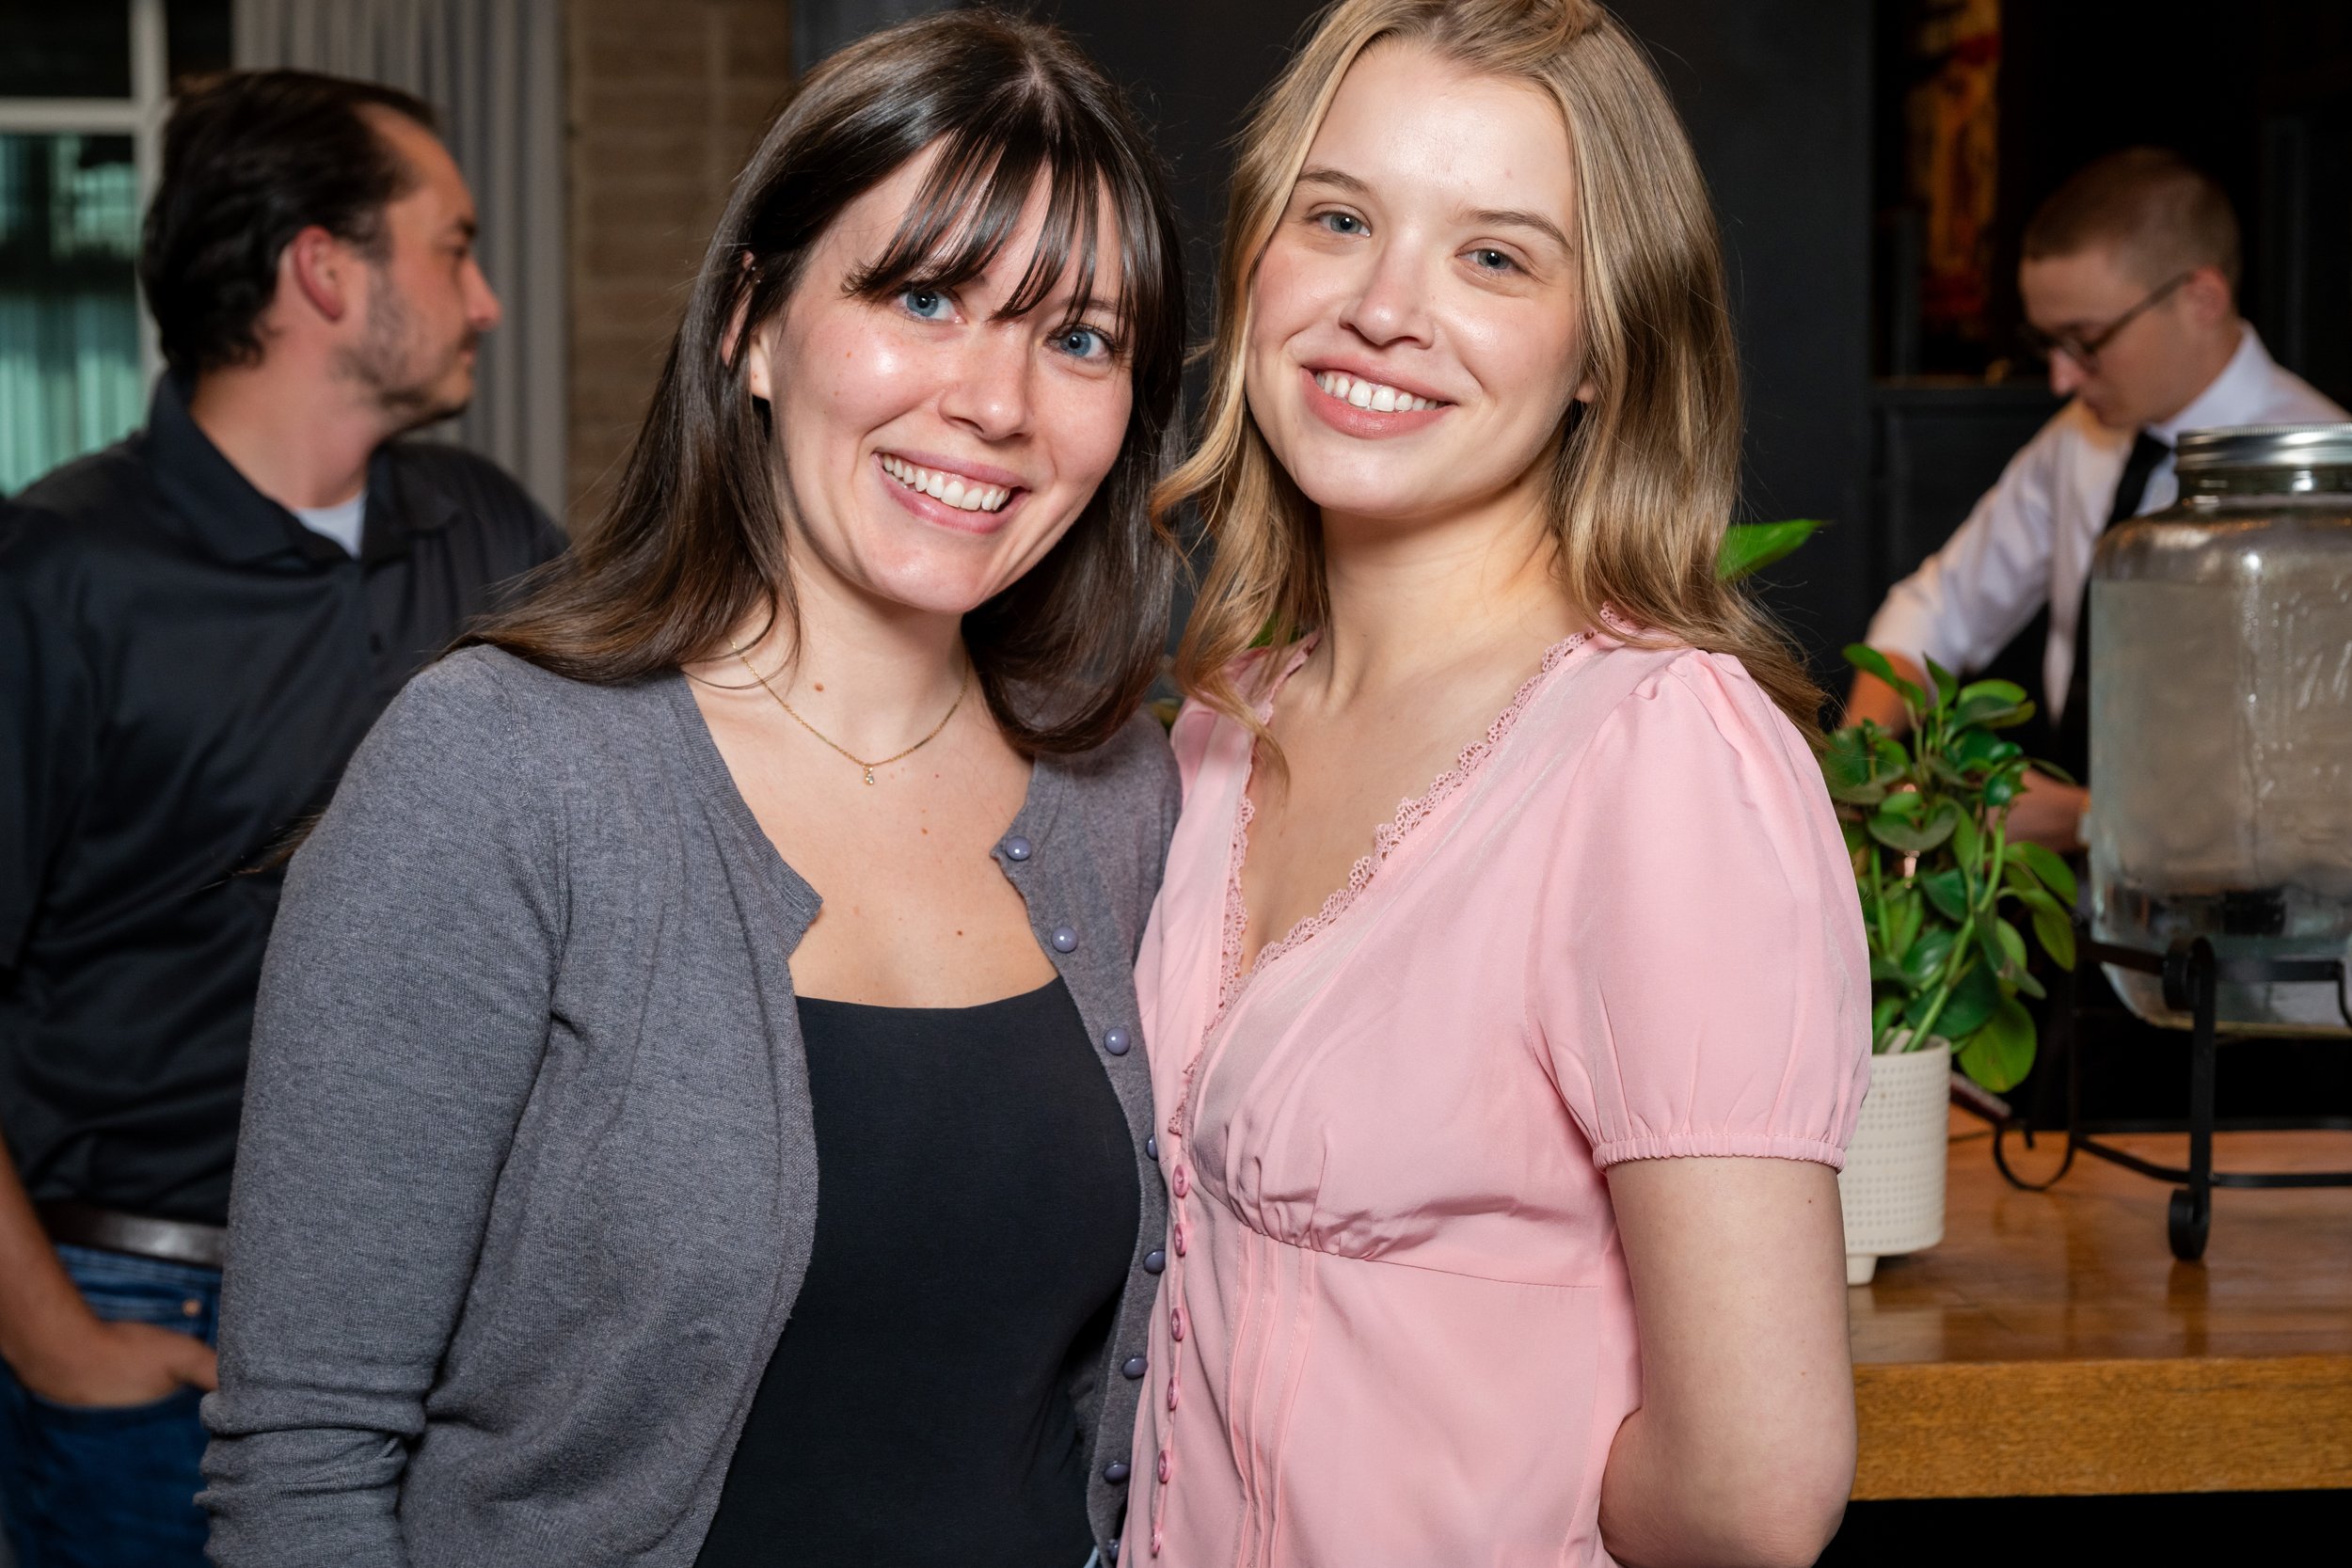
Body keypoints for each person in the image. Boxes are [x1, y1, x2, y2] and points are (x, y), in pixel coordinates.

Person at [198, 13, 1187, 1568]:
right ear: (751, 323)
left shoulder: (1128, 795)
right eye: (923, 295)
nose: (999, 399)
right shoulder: (498, 772)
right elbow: (303, 1468)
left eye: (1081, 338)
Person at [1129, 2, 1868, 1564]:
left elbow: (1753, 1489)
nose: (1385, 307)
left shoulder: (1661, 756)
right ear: (1257, 258)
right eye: (1338, 219)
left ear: (1604, 346)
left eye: (1495, 257)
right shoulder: (1220, 725)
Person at [0, 70, 561, 1566]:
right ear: (324, 269)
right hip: (150, 1317)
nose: (489, 298)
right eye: (451, 246)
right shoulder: (57, 579)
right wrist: (55, 1338)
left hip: (447, 1315)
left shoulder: (487, 527)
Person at [1851, 148, 2344, 850]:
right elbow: (1942, 607)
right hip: (2082, 910)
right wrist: (1853, 760)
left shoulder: (2324, 470)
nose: (2060, 377)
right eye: (2047, 343)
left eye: (2086, 342)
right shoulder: (2076, 441)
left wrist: (2082, 816)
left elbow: (2312, 796)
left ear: (2201, 298)